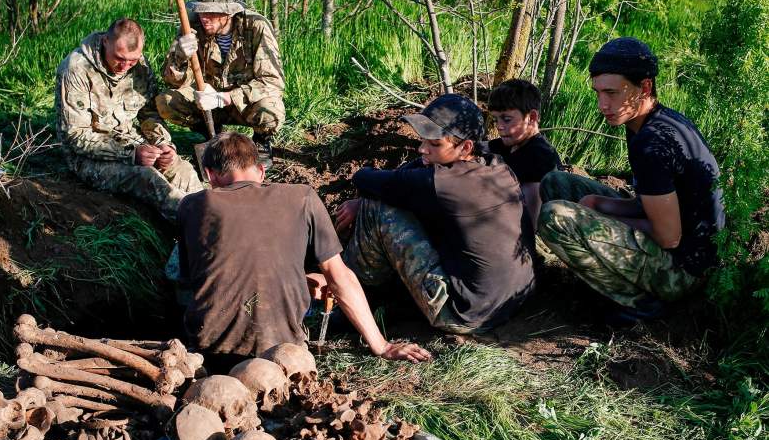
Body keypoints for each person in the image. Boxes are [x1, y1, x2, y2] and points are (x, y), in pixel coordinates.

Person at [176, 132, 430, 364]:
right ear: (262, 171)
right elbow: (338, 275)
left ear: (209, 175)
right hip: (281, 346)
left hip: (210, 349)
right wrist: (382, 345)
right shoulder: (302, 196)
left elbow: (197, 277)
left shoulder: (191, 205)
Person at [538, 37, 725, 321]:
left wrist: (601, 218)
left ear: (645, 87)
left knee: (555, 217)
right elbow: (656, 205)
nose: (603, 104)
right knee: (557, 183)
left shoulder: (652, 143)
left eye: (612, 92)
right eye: (598, 93)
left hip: (682, 271)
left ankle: (637, 303)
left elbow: (668, 236)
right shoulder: (649, 120)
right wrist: (600, 204)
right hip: (679, 237)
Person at [335, 94, 536, 334]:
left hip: (463, 313)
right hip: (511, 300)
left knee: (375, 208)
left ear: (466, 147)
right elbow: (405, 180)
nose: (422, 148)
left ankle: (353, 299)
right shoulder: (497, 166)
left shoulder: (441, 183)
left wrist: (362, 201)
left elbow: (366, 178)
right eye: (423, 140)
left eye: (435, 144)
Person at [55, 18, 202, 221]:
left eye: (132, 60)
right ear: (105, 41)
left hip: (130, 140)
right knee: (148, 179)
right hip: (87, 157)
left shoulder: (139, 66)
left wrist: (163, 143)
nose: (125, 66)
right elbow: (76, 136)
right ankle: (195, 225)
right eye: (119, 58)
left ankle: (210, 214)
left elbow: (149, 113)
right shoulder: (75, 69)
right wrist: (131, 154)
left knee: (182, 169)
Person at [157, 0, 284, 166]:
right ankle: (209, 134)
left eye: (211, 12)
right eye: (201, 11)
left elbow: (272, 82)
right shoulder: (191, 26)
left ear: (228, 12)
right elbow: (174, 83)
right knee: (166, 102)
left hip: (245, 103)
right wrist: (180, 57)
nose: (204, 17)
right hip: (207, 102)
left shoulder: (256, 27)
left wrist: (225, 97)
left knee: (271, 111)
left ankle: (261, 141)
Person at [487, 79, 563, 228]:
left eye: (507, 119)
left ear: (532, 117)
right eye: (496, 119)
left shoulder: (540, 157)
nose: (499, 127)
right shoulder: (507, 144)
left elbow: (532, 218)